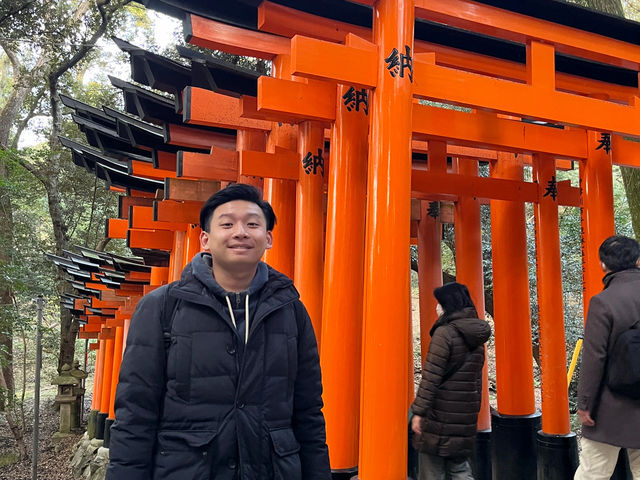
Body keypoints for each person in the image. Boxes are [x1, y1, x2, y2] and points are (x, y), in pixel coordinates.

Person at [106, 184, 331, 480]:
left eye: (252, 224)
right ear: (205, 239)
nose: (240, 232)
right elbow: (135, 414)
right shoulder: (162, 308)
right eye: (227, 223)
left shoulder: (290, 310)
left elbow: (308, 412)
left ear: (268, 238)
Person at [574, 235, 640, 479]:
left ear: (603, 264)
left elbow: (594, 357)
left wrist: (584, 405)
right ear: (637, 260)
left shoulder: (604, 302)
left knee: (594, 472)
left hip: (612, 406)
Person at [410, 282, 491, 480]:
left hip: (439, 414)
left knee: (432, 469)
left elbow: (431, 377)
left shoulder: (444, 333)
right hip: (465, 414)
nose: (436, 307)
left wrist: (419, 412)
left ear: (448, 305)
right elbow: (475, 380)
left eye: (439, 303)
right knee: (459, 468)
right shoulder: (477, 336)